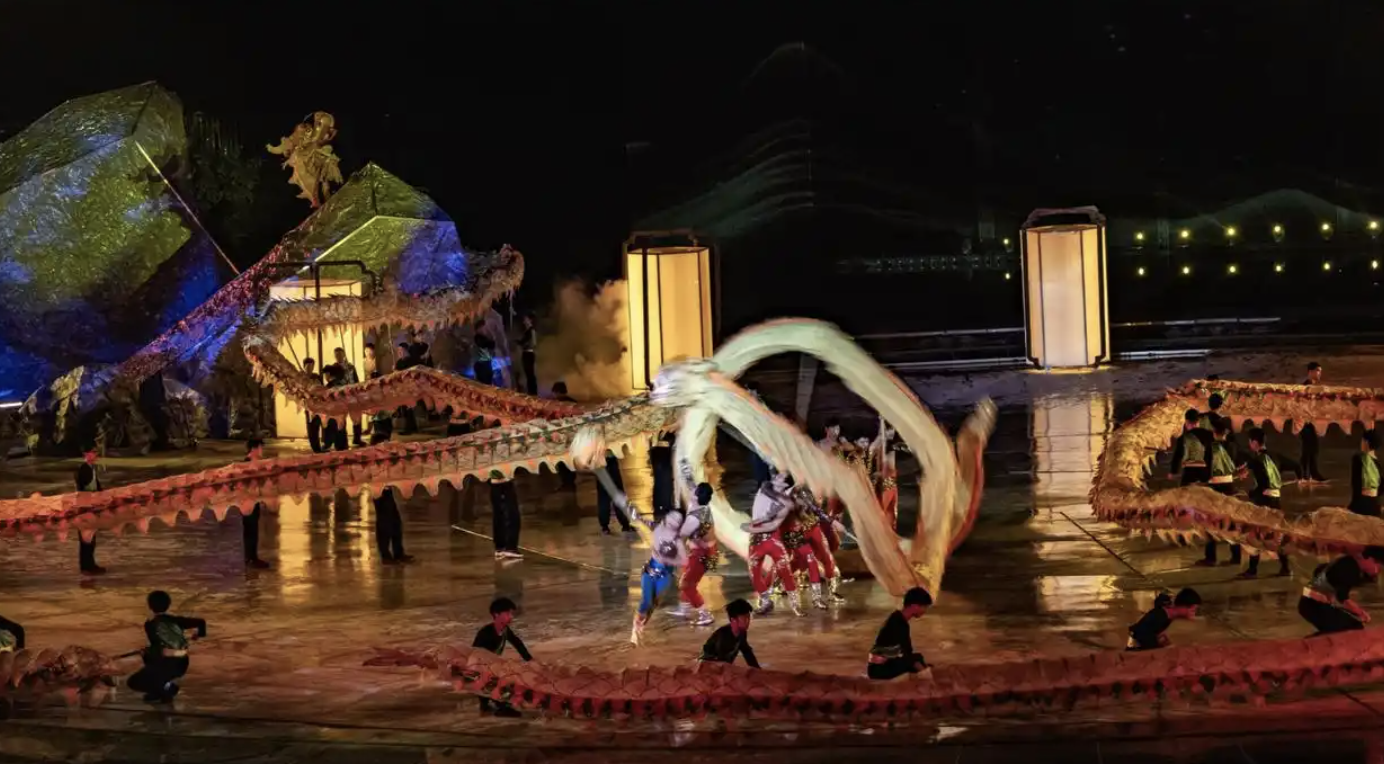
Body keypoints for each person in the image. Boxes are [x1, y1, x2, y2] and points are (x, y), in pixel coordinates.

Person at [631, 507, 699, 644]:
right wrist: (636, 516)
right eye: (672, 517)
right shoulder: (658, 528)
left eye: (677, 519)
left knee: (653, 603)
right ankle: (634, 631)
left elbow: (684, 561)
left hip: (665, 576)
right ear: (667, 517)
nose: (673, 521)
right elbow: (644, 521)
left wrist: (668, 560)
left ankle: (641, 627)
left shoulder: (677, 540)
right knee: (646, 600)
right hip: (650, 571)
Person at [1238, 428, 1298, 578]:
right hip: (1276, 501)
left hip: (1264, 501)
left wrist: (1251, 493)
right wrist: (1300, 479)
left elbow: (1262, 485)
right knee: (1277, 534)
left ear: (1254, 442)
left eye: (1250, 442)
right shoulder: (1275, 456)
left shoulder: (1257, 460)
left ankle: (1252, 570)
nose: (1249, 444)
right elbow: (1296, 465)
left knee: (1255, 534)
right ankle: (1285, 568)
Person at [127, 590, 206, 703]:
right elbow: (201, 622)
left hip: (167, 664)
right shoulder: (175, 620)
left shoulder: (150, 624)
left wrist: (147, 652)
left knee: (134, 682)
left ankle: (167, 688)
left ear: (150, 606)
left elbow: (161, 650)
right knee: (150, 659)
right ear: (168, 605)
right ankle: (161, 689)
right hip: (182, 663)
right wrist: (199, 635)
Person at [743, 472, 803, 616]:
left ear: (785, 484)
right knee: (754, 572)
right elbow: (767, 488)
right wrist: (786, 501)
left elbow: (775, 525)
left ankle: (796, 605)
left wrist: (751, 529)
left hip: (772, 538)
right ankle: (766, 602)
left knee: (785, 572)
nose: (776, 476)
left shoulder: (785, 505)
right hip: (756, 539)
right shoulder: (766, 487)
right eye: (777, 475)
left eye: (780, 477)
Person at [1299, 547, 1384, 634]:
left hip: (1311, 602)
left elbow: (1319, 570)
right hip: (1313, 605)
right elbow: (1343, 599)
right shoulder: (1350, 569)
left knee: (1350, 626)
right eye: (1378, 568)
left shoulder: (1348, 561)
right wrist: (1360, 612)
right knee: (1350, 628)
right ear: (1370, 559)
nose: (1376, 572)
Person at [471, 597, 531, 717]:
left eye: (511, 614)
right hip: (480, 670)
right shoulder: (486, 633)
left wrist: (530, 661)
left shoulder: (505, 630)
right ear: (496, 615)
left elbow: (518, 643)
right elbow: (475, 655)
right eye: (508, 613)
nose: (511, 617)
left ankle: (488, 706)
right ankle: (498, 706)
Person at [1198, 417, 1243, 567]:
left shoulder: (1210, 448)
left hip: (1214, 487)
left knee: (1210, 521)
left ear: (1214, 432)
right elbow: (1238, 463)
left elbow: (1205, 469)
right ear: (1226, 432)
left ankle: (1211, 557)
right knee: (1230, 521)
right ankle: (1236, 556)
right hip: (1229, 486)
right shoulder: (1232, 447)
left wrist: (1201, 481)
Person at [674, 480, 719, 626]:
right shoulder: (703, 507)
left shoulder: (694, 518)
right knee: (687, 577)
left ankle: (705, 614)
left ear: (696, 496)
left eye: (695, 490)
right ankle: (684, 609)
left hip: (702, 555)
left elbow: (681, 535)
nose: (692, 490)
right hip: (704, 551)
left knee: (686, 584)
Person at [867, 587, 931, 680]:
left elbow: (905, 651)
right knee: (915, 661)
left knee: (918, 658)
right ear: (914, 606)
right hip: (878, 670)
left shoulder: (898, 619)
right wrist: (924, 673)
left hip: (881, 665)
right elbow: (906, 656)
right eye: (924, 607)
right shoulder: (897, 623)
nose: (925, 610)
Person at [1126, 589, 1201, 650]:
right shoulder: (1160, 617)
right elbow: (1141, 635)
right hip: (1132, 644)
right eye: (1193, 610)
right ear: (1183, 606)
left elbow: (1157, 635)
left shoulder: (1167, 614)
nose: (1193, 614)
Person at [698, 599, 760, 667]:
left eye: (748, 617)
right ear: (733, 620)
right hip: (708, 668)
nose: (748, 621)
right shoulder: (723, 636)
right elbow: (720, 662)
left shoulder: (741, 632)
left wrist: (758, 670)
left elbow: (747, 653)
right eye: (744, 619)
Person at [75, 442, 106, 575]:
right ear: (86, 454)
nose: (96, 454)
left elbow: (97, 488)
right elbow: (83, 489)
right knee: (86, 539)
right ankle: (86, 566)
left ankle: (90, 565)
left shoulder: (91, 468)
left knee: (91, 538)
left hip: (91, 507)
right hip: (84, 508)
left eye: (96, 452)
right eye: (93, 452)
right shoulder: (83, 469)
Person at [241, 439, 271, 569]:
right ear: (254, 449)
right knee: (250, 530)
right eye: (260, 448)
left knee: (252, 530)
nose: (262, 451)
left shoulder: (253, 464)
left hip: (253, 501)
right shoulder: (247, 464)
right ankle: (251, 559)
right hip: (248, 502)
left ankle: (251, 558)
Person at [1299, 362, 1328, 482]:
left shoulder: (1315, 387)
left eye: (1320, 371)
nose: (1319, 373)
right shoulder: (1306, 386)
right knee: (1308, 447)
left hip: (1311, 421)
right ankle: (1306, 474)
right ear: (1310, 372)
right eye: (1318, 371)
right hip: (1304, 421)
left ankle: (1310, 473)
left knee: (1312, 447)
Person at [1169, 408, 1212, 486]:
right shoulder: (1209, 435)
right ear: (1198, 421)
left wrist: (1173, 472)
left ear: (1186, 422)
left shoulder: (1182, 438)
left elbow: (1176, 457)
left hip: (1189, 476)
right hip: (1207, 477)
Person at [332, 347, 365, 447]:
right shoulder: (334, 368)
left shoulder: (350, 367)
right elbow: (333, 382)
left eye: (340, 354)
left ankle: (357, 439)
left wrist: (358, 391)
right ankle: (342, 442)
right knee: (341, 418)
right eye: (336, 355)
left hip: (352, 394)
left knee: (356, 417)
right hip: (341, 396)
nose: (338, 357)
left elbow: (356, 380)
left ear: (343, 354)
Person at [596, 453, 635, 535]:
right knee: (617, 492)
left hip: (599, 460)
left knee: (603, 496)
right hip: (613, 458)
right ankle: (625, 524)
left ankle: (604, 526)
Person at [374, 484, 413, 565]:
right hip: (378, 488)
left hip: (385, 488)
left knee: (395, 521)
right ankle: (386, 555)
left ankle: (398, 553)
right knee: (385, 521)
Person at [489, 470, 522, 560]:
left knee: (499, 516)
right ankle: (510, 548)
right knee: (512, 516)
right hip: (504, 483)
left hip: (494, 483)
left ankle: (500, 547)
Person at [552, 382, 578, 492]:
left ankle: (566, 483)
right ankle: (571, 481)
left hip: (562, 437)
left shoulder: (556, 404)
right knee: (570, 460)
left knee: (562, 461)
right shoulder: (574, 402)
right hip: (573, 436)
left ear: (557, 392)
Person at [1350, 430, 1381, 517]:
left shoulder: (1358, 459)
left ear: (1366, 442)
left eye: (1362, 440)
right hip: (1375, 504)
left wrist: (1353, 506)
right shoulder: (1378, 463)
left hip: (1362, 504)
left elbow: (1356, 484)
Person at [649, 432, 675, 519]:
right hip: (660, 456)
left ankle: (662, 508)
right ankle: (661, 508)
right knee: (661, 480)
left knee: (662, 480)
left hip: (662, 456)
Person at [302, 358, 323, 453]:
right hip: (308, 405)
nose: (310, 368)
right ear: (304, 366)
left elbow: (321, 388)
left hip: (317, 405)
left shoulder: (316, 377)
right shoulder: (301, 377)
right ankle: (315, 447)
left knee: (316, 425)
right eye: (308, 366)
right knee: (311, 427)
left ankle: (317, 447)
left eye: (312, 366)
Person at [519, 313, 538, 396]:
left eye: (526, 319)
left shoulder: (531, 330)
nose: (524, 321)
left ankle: (533, 393)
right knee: (528, 374)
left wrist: (524, 344)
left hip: (529, 353)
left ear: (530, 320)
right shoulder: (527, 331)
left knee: (530, 374)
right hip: (526, 353)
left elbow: (533, 343)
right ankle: (531, 392)